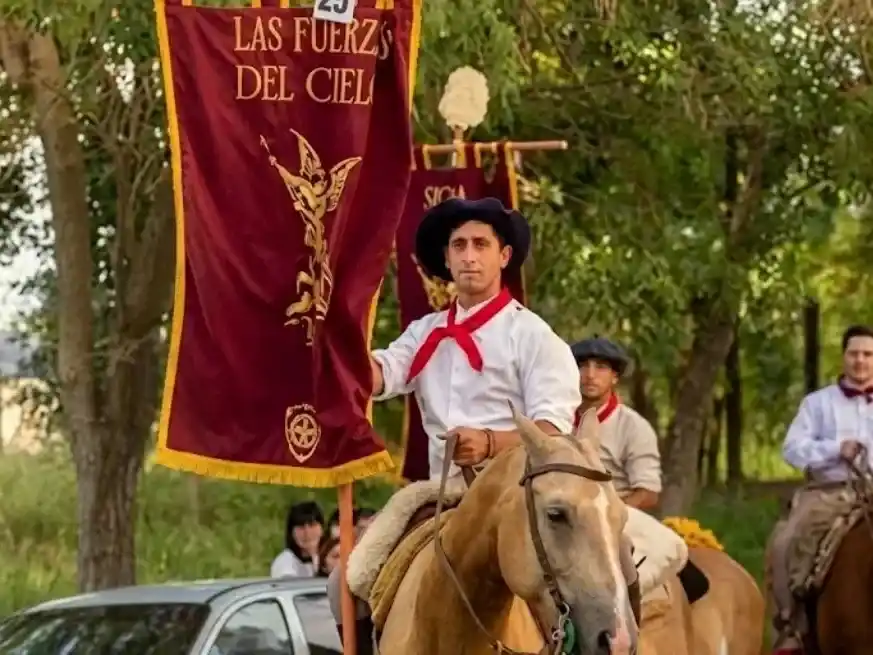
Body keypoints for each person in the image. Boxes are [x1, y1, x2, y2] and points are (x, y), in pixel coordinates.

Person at [327, 196, 620, 653]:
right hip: (442, 498)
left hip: (518, 497)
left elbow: (553, 433)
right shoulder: (426, 332)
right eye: (459, 245)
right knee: (345, 580)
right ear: (445, 258)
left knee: (598, 574)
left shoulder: (534, 338)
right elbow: (383, 374)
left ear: (503, 257)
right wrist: (337, 345)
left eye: (480, 244)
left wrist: (489, 443)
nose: (468, 255)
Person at [768, 324, 873, 655]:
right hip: (827, 492)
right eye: (854, 354)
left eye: (868, 355)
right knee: (785, 542)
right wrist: (834, 449)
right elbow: (792, 449)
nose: (860, 361)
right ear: (843, 357)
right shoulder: (817, 404)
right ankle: (790, 628)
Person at [569, 336, 662, 511]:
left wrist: (606, 515)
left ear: (615, 377)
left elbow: (647, 493)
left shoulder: (634, 427)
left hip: (617, 518)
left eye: (601, 367)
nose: (590, 375)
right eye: (582, 366)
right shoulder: (556, 420)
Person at [270, 500, 324, 578]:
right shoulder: (285, 562)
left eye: (312, 525)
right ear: (291, 532)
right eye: (301, 527)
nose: (307, 532)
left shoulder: (331, 557)